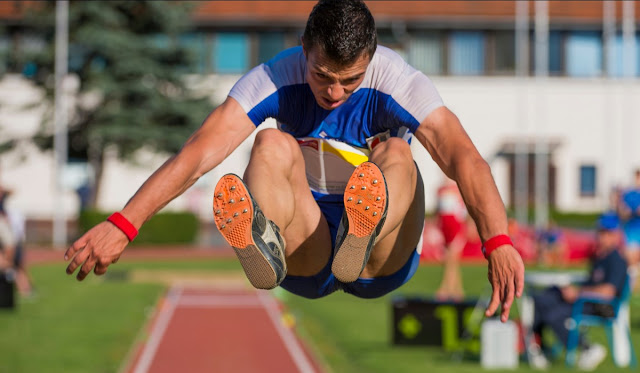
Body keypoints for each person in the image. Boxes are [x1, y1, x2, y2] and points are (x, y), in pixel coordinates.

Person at [65, 0, 523, 321]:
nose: (335, 93)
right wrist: (124, 223)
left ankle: (361, 234)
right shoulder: (274, 76)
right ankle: (267, 241)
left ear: (372, 58)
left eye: (351, 80)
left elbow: (465, 159)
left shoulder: (399, 82)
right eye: (323, 75)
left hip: (380, 259)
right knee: (269, 144)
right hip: (309, 246)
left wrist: (497, 241)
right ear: (304, 46)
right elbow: (198, 153)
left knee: (398, 152)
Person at [528, 212, 628, 370]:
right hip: (585, 299)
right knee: (544, 298)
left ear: (616, 234)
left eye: (607, 232)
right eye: (601, 231)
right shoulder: (599, 256)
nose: (603, 236)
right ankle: (539, 347)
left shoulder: (616, 260)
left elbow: (608, 291)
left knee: (554, 314)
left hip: (601, 306)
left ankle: (588, 348)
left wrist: (577, 293)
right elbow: (591, 282)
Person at [434, 177, 467, 300]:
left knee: (452, 258)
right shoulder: (440, 190)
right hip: (445, 226)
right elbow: (439, 211)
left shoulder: (457, 189)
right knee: (450, 260)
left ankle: (445, 288)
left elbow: (462, 211)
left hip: (455, 226)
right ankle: (456, 289)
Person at [618, 170, 640, 280]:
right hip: (633, 232)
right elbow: (622, 212)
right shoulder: (629, 194)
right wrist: (631, 212)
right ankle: (630, 285)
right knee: (631, 260)